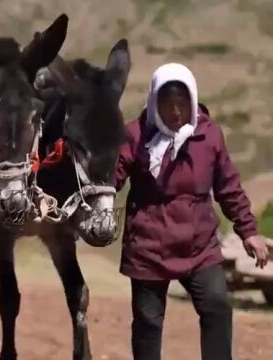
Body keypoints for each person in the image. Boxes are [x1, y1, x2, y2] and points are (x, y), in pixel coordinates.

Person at [115, 63, 269, 360]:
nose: (175, 113)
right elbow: (110, 178)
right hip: (148, 245)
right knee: (148, 322)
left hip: (198, 244)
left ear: (193, 102)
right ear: (154, 102)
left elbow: (228, 187)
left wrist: (248, 231)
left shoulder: (209, 136)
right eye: (167, 104)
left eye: (182, 105)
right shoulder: (135, 136)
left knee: (217, 307)